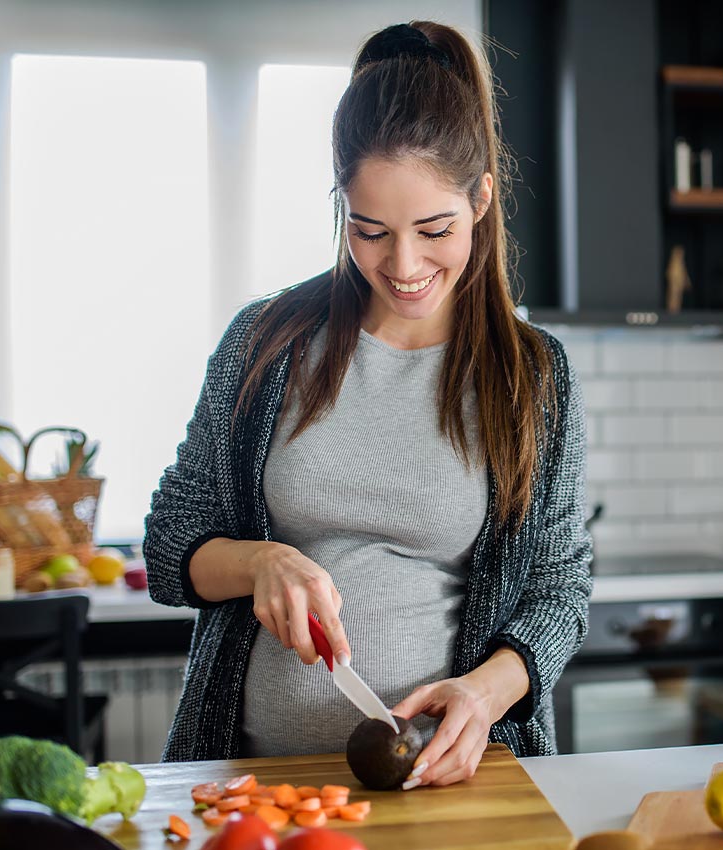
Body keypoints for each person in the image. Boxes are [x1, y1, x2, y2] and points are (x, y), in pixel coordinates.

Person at [144, 20, 592, 788]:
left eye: (434, 229)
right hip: (256, 783)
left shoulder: (533, 376)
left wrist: (485, 694)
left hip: (459, 784)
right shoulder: (265, 342)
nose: (405, 264)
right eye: (371, 231)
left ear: (481, 199)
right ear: (341, 205)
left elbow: (561, 588)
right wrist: (261, 563)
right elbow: (170, 542)